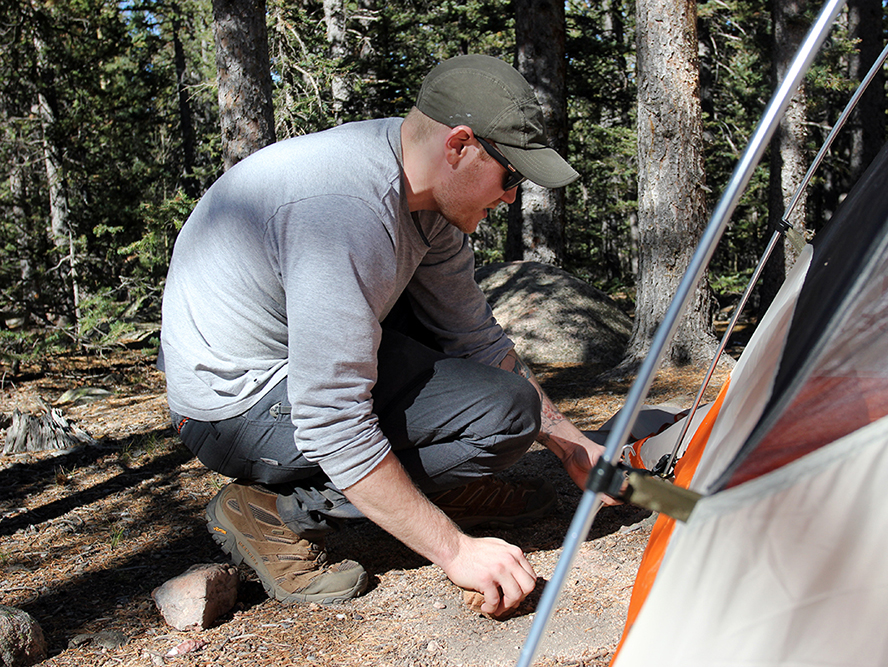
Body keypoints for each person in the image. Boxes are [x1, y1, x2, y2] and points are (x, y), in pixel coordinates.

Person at [160, 54, 608, 618]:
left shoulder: (424, 196)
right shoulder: (345, 212)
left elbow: (473, 338)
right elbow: (333, 417)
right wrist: (456, 551)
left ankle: (431, 491)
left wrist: (574, 445)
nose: (511, 196)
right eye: (510, 175)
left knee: (507, 408)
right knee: (503, 416)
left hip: (293, 362)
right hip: (233, 406)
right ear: (460, 145)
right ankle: (272, 512)